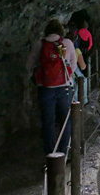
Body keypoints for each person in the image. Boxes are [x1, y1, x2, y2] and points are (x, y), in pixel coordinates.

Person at [26, 19, 77, 155]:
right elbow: (73, 65)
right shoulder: (67, 43)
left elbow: (28, 65)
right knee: (65, 120)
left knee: (48, 121)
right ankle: (65, 152)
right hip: (65, 88)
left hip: (46, 88)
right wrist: (65, 76)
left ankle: (51, 154)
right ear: (61, 31)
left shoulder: (40, 44)